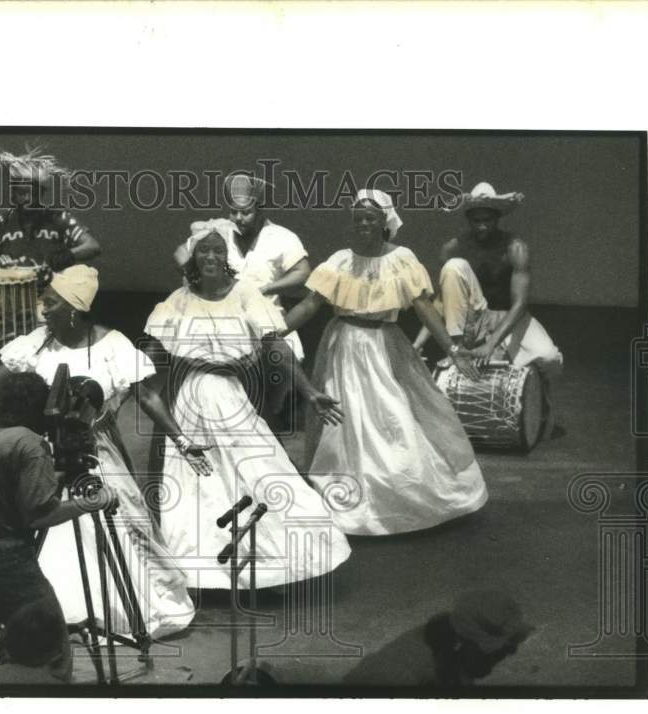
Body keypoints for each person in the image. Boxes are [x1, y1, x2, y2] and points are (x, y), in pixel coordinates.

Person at [0, 265, 205, 640]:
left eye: (50, 302)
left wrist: (182, 440)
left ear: (73, 307)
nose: (42, 309)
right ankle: (45, 613)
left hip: (93, 452)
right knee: (41, 519)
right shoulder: (37, 342)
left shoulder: (113, 345)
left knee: (111, 524)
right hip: (39, 455)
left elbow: (147, 395)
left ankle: (112, 611)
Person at [145, 221, 352, 590]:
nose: (211, 256)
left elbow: (276, 345)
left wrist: (308, 392)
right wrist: (177, 438)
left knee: (257, 470)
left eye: (218, 250)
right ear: (193, 256)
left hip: (233, 398)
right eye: (203, 250)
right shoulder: (176, 302)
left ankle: (275, 565)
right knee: (199, 487)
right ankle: (206, 575)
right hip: (191, 404)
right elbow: (148, 384)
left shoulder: (245, 295)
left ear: (227, 257)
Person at [282, 189, 488, 536]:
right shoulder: (340, 260)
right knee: (346, 424)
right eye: (358, 218)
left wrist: (452, 348)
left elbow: (423, 306)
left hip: (382, 345)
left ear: (385, 222)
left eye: (371, 218)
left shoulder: (402, 258)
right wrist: (276, 328)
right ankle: (353, 503)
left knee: (394, 415)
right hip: (343, 347)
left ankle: (410, 498)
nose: (363, 223)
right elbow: (310, 304)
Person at [0, 371, 124, 680]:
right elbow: (39, 515)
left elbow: (7, 494)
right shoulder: (30, 444)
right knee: (52, 638)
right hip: (5, 563)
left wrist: (53, 479)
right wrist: (93, 502)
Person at [412, 182, 563, 434]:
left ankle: (540, 406)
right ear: (468, 219)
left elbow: (520, 303)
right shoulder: (454, 247)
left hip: (510, 315)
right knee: (453, 267)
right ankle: (458, 348)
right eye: (476, 220)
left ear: (498, 218)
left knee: (548, 357)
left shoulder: (515, 248)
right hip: (475, 317)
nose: (482, 225)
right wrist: (418, 344)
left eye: (488, 220)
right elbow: (440, 300)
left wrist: (491, 343)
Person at [0, 145, 102, 344]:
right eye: (18, 193)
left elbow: (92, 246)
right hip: (7, 300)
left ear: (40, 193)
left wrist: (68, 254)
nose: (24, 198)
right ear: (12, 194)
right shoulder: (0, 224)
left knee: (44, 340)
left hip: (45, 298)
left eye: (29, 193)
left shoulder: (58, 219)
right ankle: (0, 373)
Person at [221, 172, 312, 425]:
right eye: (233, 212)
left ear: (260, 209)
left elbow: (303, 273)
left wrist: (265, 289)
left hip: (266, 329)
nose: (238, 218)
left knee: (264, 408)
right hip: (225, 328)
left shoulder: (282, 237)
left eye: (245, 212)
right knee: (229, 406)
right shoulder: (220, 232)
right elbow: (185, 255)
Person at [342, 590, 535, 688]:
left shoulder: (453, 632)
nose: (511, 652)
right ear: (464, 643)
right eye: (504, 647)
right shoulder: (403, 673)